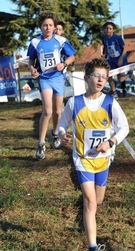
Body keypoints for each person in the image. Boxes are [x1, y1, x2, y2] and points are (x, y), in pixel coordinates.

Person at [58, 58, 130, 251]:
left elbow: (124, 127)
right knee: (90, 202)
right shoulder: (74, 102)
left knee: (97, 202)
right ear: (87, 78)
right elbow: (62, 124)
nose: (100, 80)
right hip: (82, 160)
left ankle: (87, 218)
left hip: (103, 161)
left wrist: (111, 141)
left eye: (104, 77)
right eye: (96, 76)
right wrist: (63, 134)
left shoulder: (109, 102)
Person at [27, 12, 77, 160]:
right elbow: (31, 60)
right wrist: (32, 69)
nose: (47, 27)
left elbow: (72, 56)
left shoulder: (61, 41)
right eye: (44, 25)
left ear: (54, 27)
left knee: (57, 111)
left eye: (50, 25)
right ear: (41, 27)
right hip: (44, 79)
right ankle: (41, 143)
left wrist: (64, 64)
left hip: (58, 78)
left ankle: (55, 134)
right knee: (47, 111)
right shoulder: (35, 43)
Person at [101, 21, 128, 100]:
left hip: (120, 58)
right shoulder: (104, 38)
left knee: (120, 79)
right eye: (107, 28)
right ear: (104, 29)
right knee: (108, 75)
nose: (108, 30)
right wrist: (104, 56)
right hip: (111, 59)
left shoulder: (117, 38)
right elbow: (106, 48)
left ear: (113, 30)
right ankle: (114, 92)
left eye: (110, 28)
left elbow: (125, 47)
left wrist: (121, 57)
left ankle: (129, 74)